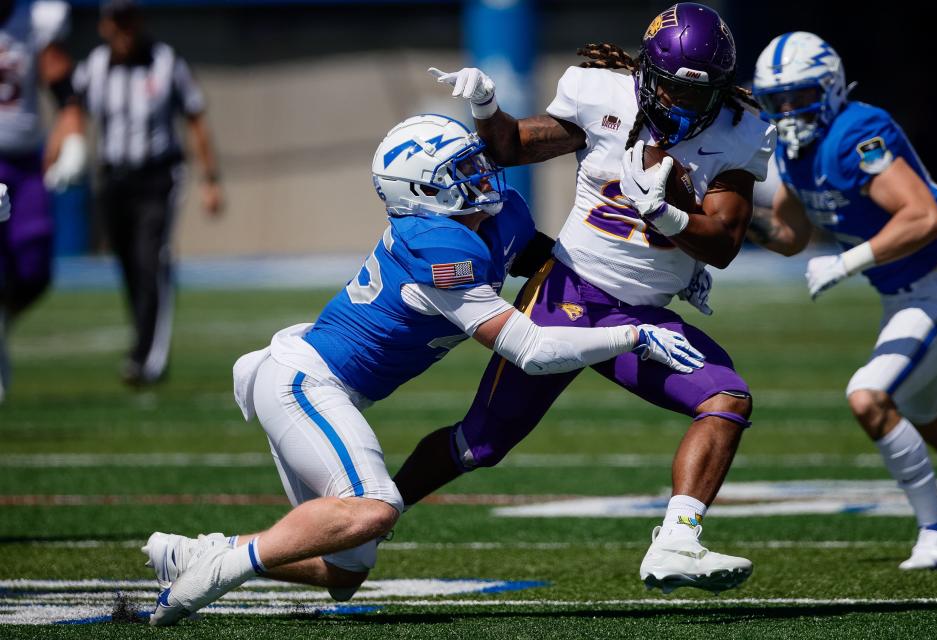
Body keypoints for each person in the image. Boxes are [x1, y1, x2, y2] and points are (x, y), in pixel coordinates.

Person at [139, 114, 704, 626]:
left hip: (325, 387)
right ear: (423, 192)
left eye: (476, 160)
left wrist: (664, 267)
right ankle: (221, 572)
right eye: (463, 168)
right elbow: (528, 348)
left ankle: (204, 551)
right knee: (376, 507)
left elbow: (551, 263)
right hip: (303, 383)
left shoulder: (500, 214)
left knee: (344, 571)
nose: (483, 172)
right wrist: (632, 336)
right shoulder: (433, 244)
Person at [392, 2, 776, 595]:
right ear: (647, 73)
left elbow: (724, 242)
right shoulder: (602, 94)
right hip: (566, 293)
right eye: (672, 88)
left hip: (646, 315)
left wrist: (668, 216)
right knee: (480, 443)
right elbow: (513, 146)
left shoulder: (739, 129)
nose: (682, 105)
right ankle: (369, 517)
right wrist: (487, 108)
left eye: (699, 95)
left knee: (727, 397)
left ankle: (677, 541)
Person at [750, 32, 937, 569]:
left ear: (830, 87)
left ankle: (936, 533)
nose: (789, 111)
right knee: (925, 414)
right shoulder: (796, 152)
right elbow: (788, 236)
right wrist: (695, 221)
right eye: (779, 101)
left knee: (868, 397)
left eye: (799, 97)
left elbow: (924, 217)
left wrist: (847, 261)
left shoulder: (856, 133)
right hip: (903, 294)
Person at [71, 0, 222, 386]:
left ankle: (149, 359)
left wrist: (211, 179)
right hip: (113, 179)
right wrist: (62, 149)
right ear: (105, 25)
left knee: (151, 258)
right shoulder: (95, 66)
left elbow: (195, 116)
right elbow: (73, 110)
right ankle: (143, 344)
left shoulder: (167, 62)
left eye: (128, 20)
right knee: (128, 265)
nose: (123, 29)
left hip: (158, 177)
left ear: (139, 21)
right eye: (115, 21)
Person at [0, 0, 86, 403]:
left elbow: (64, 89)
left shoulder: (34, 19)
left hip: (25, 162)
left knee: (35, 266)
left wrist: (70, 134)